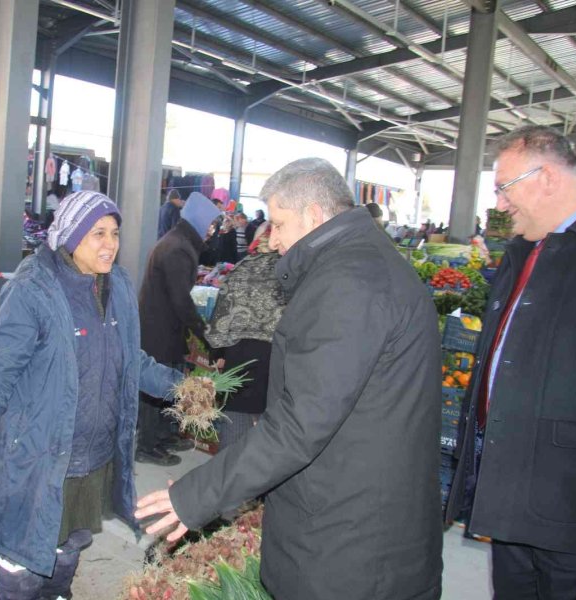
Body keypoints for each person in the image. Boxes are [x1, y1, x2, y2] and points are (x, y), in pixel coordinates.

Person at [135, 157, 443, 599]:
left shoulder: (349, 282)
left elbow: (302, 423)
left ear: (314, 216)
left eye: (278, 224)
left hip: (352, 540)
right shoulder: (365, 264)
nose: (272, 239)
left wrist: (196, 495)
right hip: (363, 516)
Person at [0, 191, 183, 600]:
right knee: (24, 559)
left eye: (114, 232)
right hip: (38, 457)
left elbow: (129, 358)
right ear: (70, 235)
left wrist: (182, 387)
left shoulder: (116, 283)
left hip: (92, 456)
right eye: (98, 233)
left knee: (70, 545)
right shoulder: (34, 289)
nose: (110, 243)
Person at [445, 125, 576, 599]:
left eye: (504, 188)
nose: (500, 205)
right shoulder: (527, 246)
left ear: (545, 177)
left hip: (574, 500)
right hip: (510, 484)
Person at [137, 191, 221, 466]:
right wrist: (204, 333)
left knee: (170, 382)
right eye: (209, 223)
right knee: (155, 386)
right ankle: (147, 445)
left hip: (164, 328)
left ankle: (164, 435)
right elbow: (181, 301)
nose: (211, 230)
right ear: (197, 220)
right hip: (159, 329)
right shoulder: (178, 248)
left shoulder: (180, 242)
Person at [205, 224, 285, 450]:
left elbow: (221, 316)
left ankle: (228, 480)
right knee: (270, 433)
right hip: (275, 359)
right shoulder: (289, 272)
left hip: (239, 357)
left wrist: (217, 353)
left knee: (234, 427)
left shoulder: (241, 269)